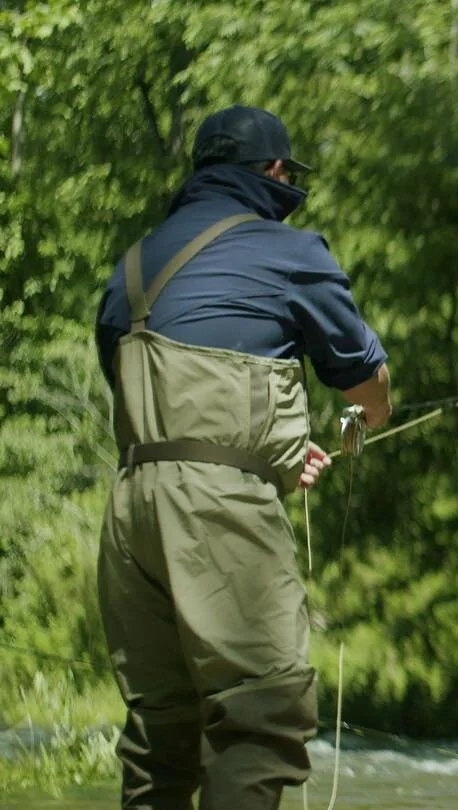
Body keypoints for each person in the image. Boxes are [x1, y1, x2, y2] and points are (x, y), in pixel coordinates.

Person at [92, 105, 392, 810]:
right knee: (262, 717)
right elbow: (360, 378)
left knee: (161, 734)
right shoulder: (288, 250)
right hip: (217, 511)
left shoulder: (131, 267)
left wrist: (278, 458)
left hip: (131, 511)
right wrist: (370, 416)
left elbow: (161, 410)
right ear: (278, 172)